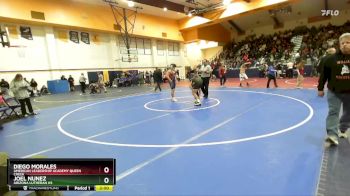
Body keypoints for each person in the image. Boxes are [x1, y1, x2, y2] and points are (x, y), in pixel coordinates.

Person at [318, 33, 350, 146]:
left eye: (348, 42)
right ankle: (332, 135)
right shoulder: (331, 59)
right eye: (343, 43)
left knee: (348, 113)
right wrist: (320, 88)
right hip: (334, 92)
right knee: (333, 112)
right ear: (339, 45)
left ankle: (342, 129)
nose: (345, 45)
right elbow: (323, 75)